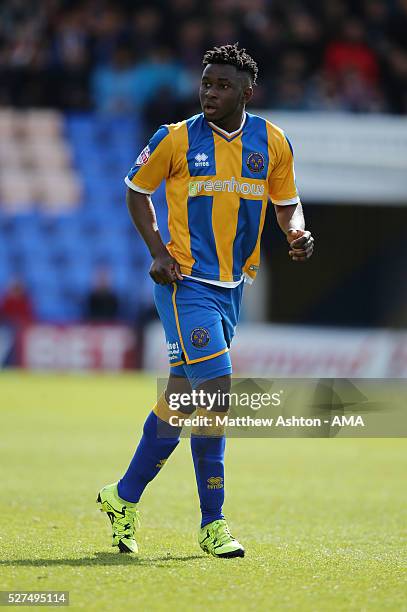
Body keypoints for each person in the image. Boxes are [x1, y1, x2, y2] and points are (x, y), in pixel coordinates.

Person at [97, 43, 314, 558]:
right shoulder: (173, 139)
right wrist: (157, 251)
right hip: (184, 284)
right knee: (215, 393)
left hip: (232, 286)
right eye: (206, 83)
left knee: (179, 404)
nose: (210, 92)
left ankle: (121, 497)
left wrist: (297, 232)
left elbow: (287, 204)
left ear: (246, 91)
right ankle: (212, 523)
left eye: (222, 85)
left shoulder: (273, 141)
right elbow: (135, 190)